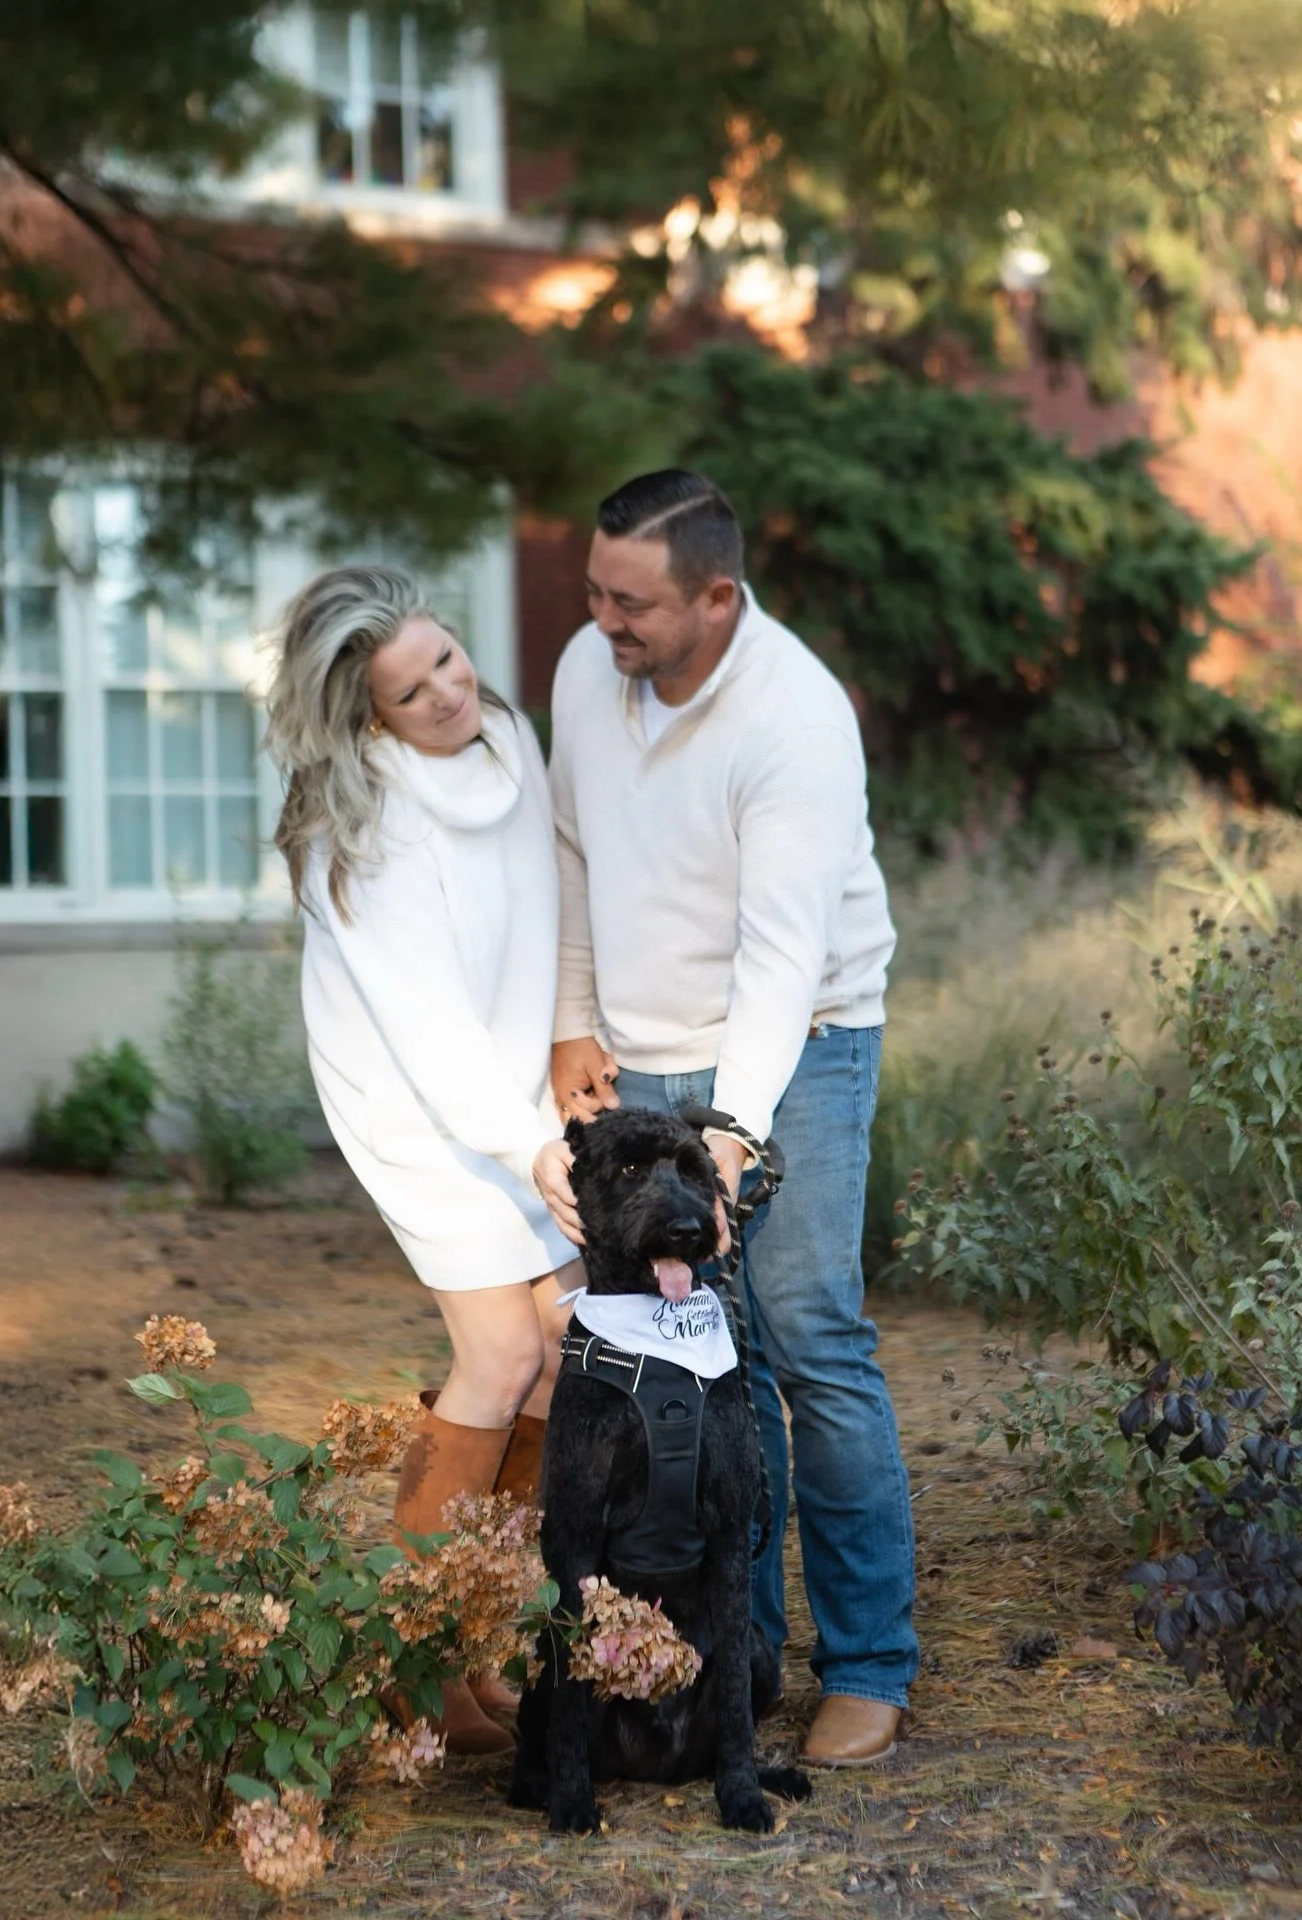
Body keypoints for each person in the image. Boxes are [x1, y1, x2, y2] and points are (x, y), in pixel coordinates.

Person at [534, 471, 919, 1767]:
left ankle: (868, 1664)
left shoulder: (796, 720)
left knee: (808, 1342)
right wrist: (575, 1015)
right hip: (643, 1051)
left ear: (718, 596)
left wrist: (735, 1133)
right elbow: (574, 851)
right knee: (699, 1357)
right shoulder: (593, 669)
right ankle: (731, 1669)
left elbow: (783, 957)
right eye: (594, 591)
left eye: (630, 601)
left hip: (795, 1042)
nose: (600, 623)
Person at [265, 564, 578, 1755]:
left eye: (447, 657)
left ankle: (475, 1644)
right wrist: (526, 1144)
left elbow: (549, 904)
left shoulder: (508, 736)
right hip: (422, 1109)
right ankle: (409, 1666)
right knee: (501, 1354)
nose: (449, 692)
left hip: (515, 1096)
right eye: (412, 690)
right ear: (367, 717)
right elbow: (426, 1027)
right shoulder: (365, 828)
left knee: (557, 1364)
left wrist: (560, 1057)